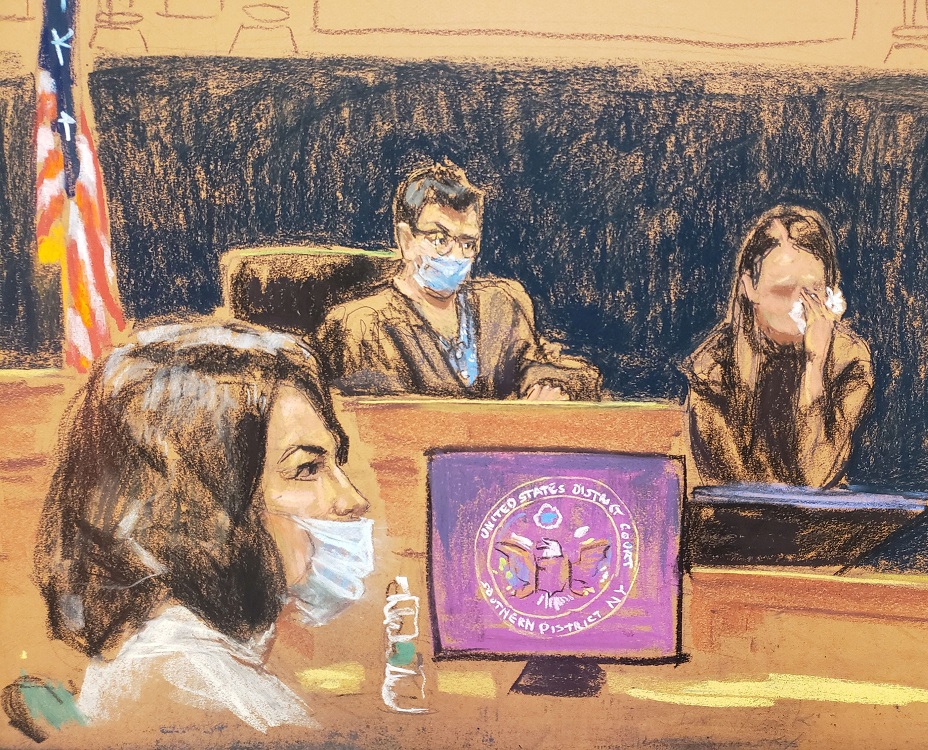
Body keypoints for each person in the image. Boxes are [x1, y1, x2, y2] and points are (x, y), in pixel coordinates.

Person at [33, 320, 372, 732]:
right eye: (306, 468)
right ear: (201, 503)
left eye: (336, 463)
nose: (354, 499)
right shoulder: (190, 689)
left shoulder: (209, 655)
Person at [313, 161, 601, 401]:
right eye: (440, 239)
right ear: (406, 239)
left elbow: (546, 365)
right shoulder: (361, 323)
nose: (455, 255)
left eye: (467, 243)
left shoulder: (501, 304)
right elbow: (389, 424)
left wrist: (545, 384)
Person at [683, 205, 873, 488]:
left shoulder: (849, 359)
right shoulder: (713, 368)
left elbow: (815, 479)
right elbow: (729, 490)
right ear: (750, 287)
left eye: (813, 291)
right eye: (783, 291)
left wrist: (815, 365)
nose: (800, 307)